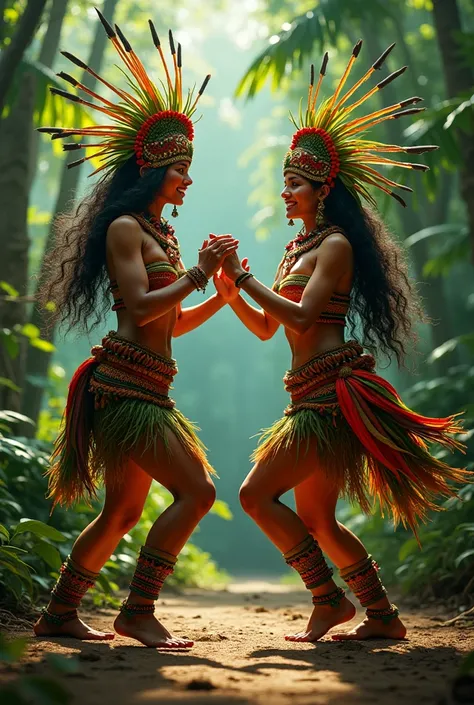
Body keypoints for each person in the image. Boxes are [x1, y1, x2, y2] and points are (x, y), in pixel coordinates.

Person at [216, 41, 468, 642]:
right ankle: (382, 615)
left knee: (254, 496)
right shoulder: (295, 249)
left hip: (330, 396)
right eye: (285, 183)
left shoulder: (334, 246)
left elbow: (304, 320)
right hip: (305, 395)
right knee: (318, 518)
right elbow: (269, 328)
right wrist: (230, 290)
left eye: (295, 184)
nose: (286, 194)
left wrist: (246, 277)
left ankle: (329, 599)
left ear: (323, 189)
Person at [33, 9, 237, 648]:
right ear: (153, 171)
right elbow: (141, 310)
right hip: (124, 389)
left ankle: (60, 614)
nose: (188, 178)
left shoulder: (162, 237)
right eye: (180, 169)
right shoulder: (126, 230)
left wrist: (222, 294)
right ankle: (138, 609)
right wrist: (200, 274)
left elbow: (172, 318)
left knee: (121, 510)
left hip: (149, 386)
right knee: (199, 492)